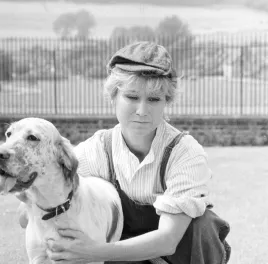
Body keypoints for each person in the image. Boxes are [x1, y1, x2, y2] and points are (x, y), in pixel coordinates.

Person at [42, 41, 231, 263]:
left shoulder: (184, 152)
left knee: (202, 223)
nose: (142, 111)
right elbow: (39, 204)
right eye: (132, 97)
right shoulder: (96, 151)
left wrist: (90, 251)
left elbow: (168, 241)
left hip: (177, 255)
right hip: (123, 255)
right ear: (113, 96)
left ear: (166, 102)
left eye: (153, 99)